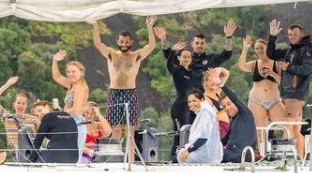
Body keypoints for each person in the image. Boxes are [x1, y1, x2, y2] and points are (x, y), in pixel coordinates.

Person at [90, 16, 157, 160]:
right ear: (117, 41)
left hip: (130, 92)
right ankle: (115, 159)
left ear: (131, 42)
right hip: (114, 93)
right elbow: (97, 43)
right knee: (115, 130)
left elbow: (151, 46)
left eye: (127, 42)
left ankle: (131, 161)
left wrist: (149, 27)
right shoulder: (111, 54)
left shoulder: (135, 55)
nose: (124, 44)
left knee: (130, 131)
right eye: (121, 41)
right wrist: (95, 24)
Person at [267, 20, 312, 157]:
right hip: (293, 95)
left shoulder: (306, 51)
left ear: (301, 35)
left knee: (287, 125)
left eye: (295, 34)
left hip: (296, 94)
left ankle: (286, 158)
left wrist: (288, 67)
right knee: (296, 129)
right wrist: (272, 37)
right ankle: (300, 158)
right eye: (289, 35)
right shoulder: (290, 51)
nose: (292, 37)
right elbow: (271, 54)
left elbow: (308, 69)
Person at [237, 35, 287, 151]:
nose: (259, 50)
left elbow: (282, 82)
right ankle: (262, 155)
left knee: (286, 124)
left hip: (274, 100)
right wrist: (245, 48)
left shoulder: (276, 64)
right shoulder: (254, 64)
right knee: (260, 130)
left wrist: (272, 73)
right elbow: (241, 66)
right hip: (256, 100)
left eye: (262, 48)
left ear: (266, 48)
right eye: (257, 48)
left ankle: (286, 152)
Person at [154, 25, 195, 161]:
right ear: (179, 58)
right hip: (179, 108)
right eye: (184, 56)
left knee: (187, 133)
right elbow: (169, 65)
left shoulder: (191, 73)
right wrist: (173, 51)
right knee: (179, 134)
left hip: (188, 108)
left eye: (189, 57)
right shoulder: (177, 71)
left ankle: (182, 157)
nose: (187, 59)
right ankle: (173, 158)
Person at [0, 75, 41, 152]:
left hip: (33, 153)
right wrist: (7, 84)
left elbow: (44, 135)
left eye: (23, 103)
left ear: (26, 106)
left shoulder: (34, 118)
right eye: (18, 102)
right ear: (14, 104)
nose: (21, 105)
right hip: (14, 154)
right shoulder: (8, 118)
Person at [51, 50, 90, 154]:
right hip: (69, 121)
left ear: (81, 73)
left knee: (73, 157)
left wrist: (60, 117)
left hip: (75, 123)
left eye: (73, 71)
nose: (70, 74)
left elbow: (76, 110)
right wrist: (55, 61)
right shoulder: (72, 85)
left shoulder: (81, 88)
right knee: (65, 156)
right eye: (68, 72)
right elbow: (57, 77)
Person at [177, 90, 222, 164]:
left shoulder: (205, 112)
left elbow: (203, 138)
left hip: (207, 156)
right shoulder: (203, 112)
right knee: (180, 153)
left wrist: (188, 150)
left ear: (202, 100)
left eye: (194, 101)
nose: (191, 104)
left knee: (179, 156)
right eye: (189, 102)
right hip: (208, 154)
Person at [216, 84, 257, 163]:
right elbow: (224, 140)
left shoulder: (245, 114)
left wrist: (221, 84)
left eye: (229, 104)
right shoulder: (234, 120)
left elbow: (234, 98)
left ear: (236, 103)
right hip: (231, 153)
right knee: (207, 151)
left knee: (209, 154)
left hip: (241, 155)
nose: (227, 108)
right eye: (224, 106)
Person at [190, 21, 237, 90]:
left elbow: (227, 54)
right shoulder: (186, 59)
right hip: (190, 97)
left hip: (207, 95)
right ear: (192, 44)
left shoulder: (211, 58)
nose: (199, 45)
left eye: (202, 43)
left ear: (205, 44)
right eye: (197, 43)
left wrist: (229, 38)